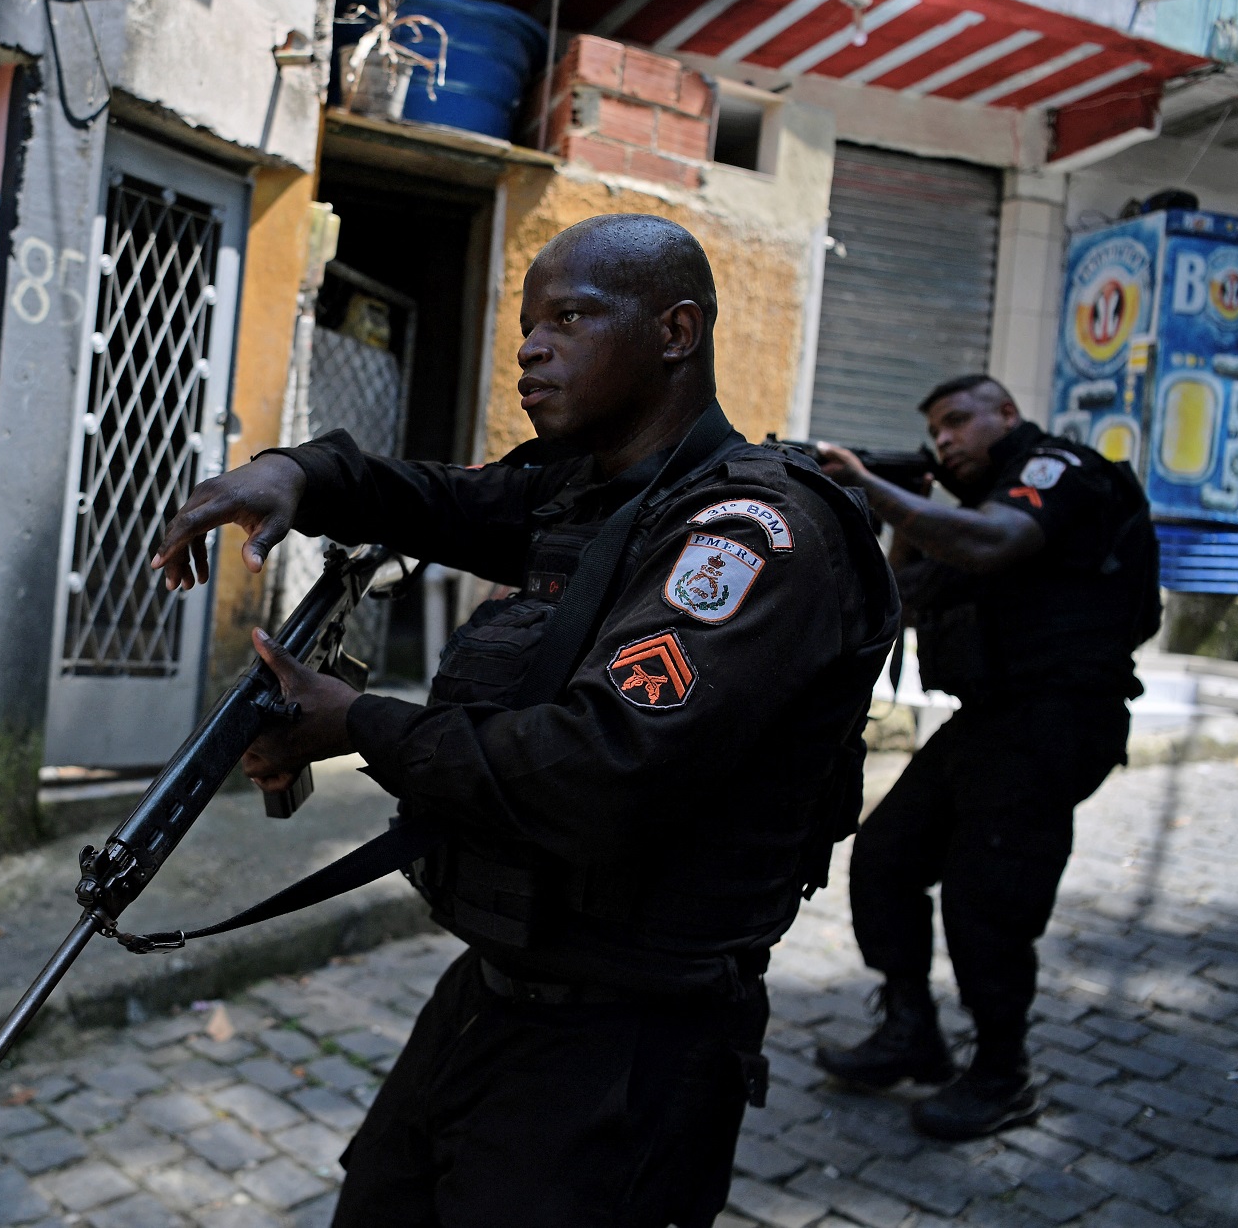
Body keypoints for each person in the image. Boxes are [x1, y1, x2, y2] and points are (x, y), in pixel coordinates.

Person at [152, 214, 898, 1228]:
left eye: (570, 318)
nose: (530, 346)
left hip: (629, 1044)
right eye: (526, 324)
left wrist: (356, 723)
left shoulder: (750, 535)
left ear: (676, 331)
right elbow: (436, 497)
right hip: (496, 992)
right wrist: (297, 472)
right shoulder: (584, 491)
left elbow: (599, 765)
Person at [813, 375, 1159, 1140]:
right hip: (993, 718)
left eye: (958, 422)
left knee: (987, 896)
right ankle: (913, 1031)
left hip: (1059, 719)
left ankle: (1005, 1076)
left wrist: (873, 483)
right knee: (887, 856)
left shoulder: (1054, 473)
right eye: (935, 432)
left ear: (1007, 414)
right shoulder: (965, 515)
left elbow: (1001, 541)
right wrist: (898, 502)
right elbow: (905, 588)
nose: (946, 440)